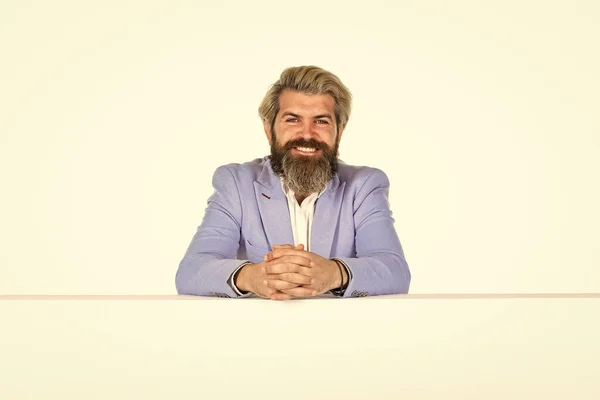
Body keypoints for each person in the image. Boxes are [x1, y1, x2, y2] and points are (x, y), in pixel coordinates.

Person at [176, 66, 411, 299]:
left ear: (339, 131)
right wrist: (254, 277)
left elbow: (394, 271)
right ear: (269, 129)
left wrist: (333, 273)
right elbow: (191, 271)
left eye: (321, 121)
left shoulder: (364, 185)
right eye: (292, 119)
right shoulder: (236, 183)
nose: (307, 134)